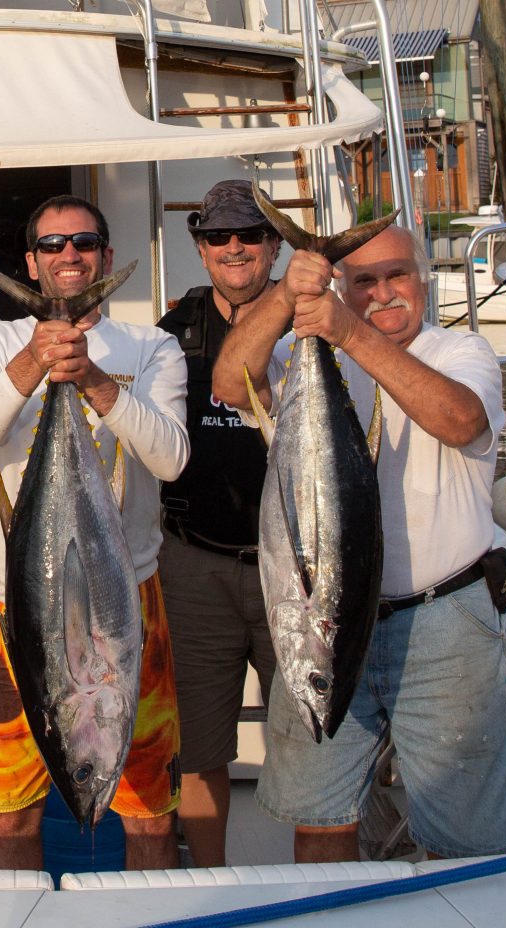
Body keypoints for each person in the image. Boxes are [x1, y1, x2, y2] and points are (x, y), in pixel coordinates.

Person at [212, 219, 506, 862]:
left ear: (423, 281)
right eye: (364, 282)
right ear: (342, 286)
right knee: (319, 818)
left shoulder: (459, 352)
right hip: (320, 625)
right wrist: (285, 295)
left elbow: (460, 420)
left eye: (398, 276)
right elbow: (228, 383)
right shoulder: (307, 360)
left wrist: (345, 329)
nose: (384, 293)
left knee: (471, 836)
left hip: (444, 623)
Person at [0, 197, 189, 871]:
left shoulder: (152, 346)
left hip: (129, 601)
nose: (68, 255)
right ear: (30, 263)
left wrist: (91, 379)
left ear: (107, 258)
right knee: (10, 812)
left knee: (148, 812)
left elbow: (171, 457)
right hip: (14, 601)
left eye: (83, 243)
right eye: (51, 246)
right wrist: (35, 361)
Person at [154, 180, 286, 867]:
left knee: (311, 738)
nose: (234, 247)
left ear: (275, 244)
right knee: (199, 748)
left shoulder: (315, 324)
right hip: (195, 566)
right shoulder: (169, 337)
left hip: (294, 569)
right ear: (200, 249)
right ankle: (210, 879)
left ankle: (319, 884)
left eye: (250, 234)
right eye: (218, 236)